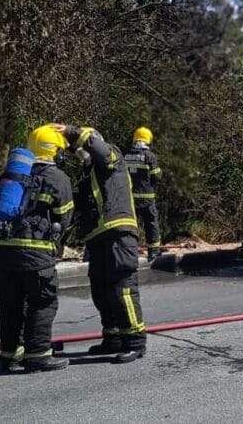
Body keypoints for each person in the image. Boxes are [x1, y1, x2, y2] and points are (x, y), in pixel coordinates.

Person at [0, 124, 74, 373]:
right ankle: (37, 355)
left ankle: (10, 355)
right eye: (60, 150)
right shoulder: (57, 178)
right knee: (42, 302)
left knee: (10, 304)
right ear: (53, 150)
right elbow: (64, 216)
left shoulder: (12, 175)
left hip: (3, 252)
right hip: (34, 253)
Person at [61, 124, 147, 363]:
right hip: (98, 237)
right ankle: (113, 338)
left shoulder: (113, 156)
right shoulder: (90, 173)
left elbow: (98, 150)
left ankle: (135, 341)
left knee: (123, 290)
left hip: (119, 234)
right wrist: (69, 147)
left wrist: (72, 132)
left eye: (84, 146)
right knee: (101, 291)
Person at [124, 126, 162, 261]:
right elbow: (157, 176)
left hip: (129, 197)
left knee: (130, 225)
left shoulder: (125, 154)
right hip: (147, 198)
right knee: (151, 223)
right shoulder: (150, 156)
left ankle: (129, 252)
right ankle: (153, 252)